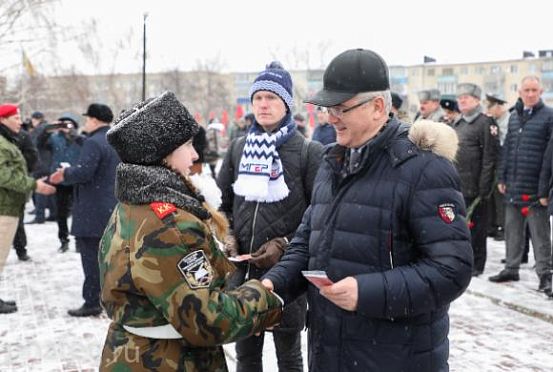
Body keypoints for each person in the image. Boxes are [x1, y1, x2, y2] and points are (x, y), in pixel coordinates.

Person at [261, 49, 473, 372]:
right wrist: (274, 284)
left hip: (395, 358)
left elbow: (451, 269)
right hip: (330, 352)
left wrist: (366, 292)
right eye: (328, 108)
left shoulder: (423, 169)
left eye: (342, 108)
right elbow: (307, 241)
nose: (331, 117)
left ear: (377, 107)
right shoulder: (332, 163)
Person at [98, 91, 282, 371]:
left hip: (132, 354)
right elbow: (206, 321)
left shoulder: (133, 205)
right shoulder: (171, 224)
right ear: (161, 156)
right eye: (186, 145)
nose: (195, 154)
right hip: (170, 360)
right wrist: (264, 297)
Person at [217, 61, 324, 372]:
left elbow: (320, 213)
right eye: (258, 98)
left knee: (288, 357)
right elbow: (220, 204)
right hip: (242, 272)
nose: (263, 105)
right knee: (246, 356)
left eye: (272, 98)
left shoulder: (308, 151)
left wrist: (286, 244)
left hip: (287, 275)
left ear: (286, 103)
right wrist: (227, 236)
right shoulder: (238, 148)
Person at [49, 103, 120, 317]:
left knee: (91, 257)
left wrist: (66, 172)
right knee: (109, 257)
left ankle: (92, 301)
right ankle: (112, 297)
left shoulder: (93, 142)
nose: (85, 122)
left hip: (92, 210)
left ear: (95, 120)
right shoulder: (114, 140)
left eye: (87, 119)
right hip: (111, 207)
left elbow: (85, 172)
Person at [489, 76, 553, 296]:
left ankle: (546, 275)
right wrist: (502, 178)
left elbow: (549, 157)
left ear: (541, 91)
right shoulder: (515, 117)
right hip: (514, 186)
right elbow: (507, 149)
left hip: (536, 190)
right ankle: (511, 268)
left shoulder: (549, 117)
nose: (530, 94)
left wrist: (545, 190)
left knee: (540, 236)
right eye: (526, 89)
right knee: (512, 231)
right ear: (519, 92)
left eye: (534, 90)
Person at [0, 104, 55, 314]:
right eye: (14, 118)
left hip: (9, 206)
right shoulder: (2, 143)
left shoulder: (7, 141)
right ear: (3, 120)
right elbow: (4, 176)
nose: (19, 121)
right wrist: (34, 185)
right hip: (3, 208)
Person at [452, 83, 500, 277]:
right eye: (460, 97)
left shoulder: (485, 123)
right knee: (460, 227)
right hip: (458, 185)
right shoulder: (459, 123)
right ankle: (461, 260)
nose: (462, 100)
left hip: (477, 186)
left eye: (467, 97)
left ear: (477, 101)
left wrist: (484, 186)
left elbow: (490, 157)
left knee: (476, 229)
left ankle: (476, 264)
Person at [38, 113, 84, 252]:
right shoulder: (54, 138)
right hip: (60, 180)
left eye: (68, 124)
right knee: (61, 213)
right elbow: (40, 143)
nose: (64, 126)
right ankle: (63, 240)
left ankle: (78, 240)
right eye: (62, 123)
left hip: (76, 180)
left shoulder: (80, 139)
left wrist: (72, 134)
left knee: (79, 212)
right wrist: (48, 129)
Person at [12, 121, 38, 261]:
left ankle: (21, 249)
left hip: (16, 182)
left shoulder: (22, 136)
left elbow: (32, 156)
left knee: (16, 219)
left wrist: (20, 168)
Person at [485, 93, 510, 241]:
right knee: (494, 198)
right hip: (495, 163)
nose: (488, 110)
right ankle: (495, 225)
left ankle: (503, 227)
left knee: (501, 198)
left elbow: (503, 143)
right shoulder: (495, 120)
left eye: (491, 107)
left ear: (499, 107)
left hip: (503, 163)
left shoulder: (508, 120)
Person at [27, 111, 56, 224]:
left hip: (41, 163)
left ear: (36, 119)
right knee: (50, 189)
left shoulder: (41, 129)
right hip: (48, 163)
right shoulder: (48, 129)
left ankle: (40, 216)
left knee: (40, 191)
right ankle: (53, 213)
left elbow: (35, 143)